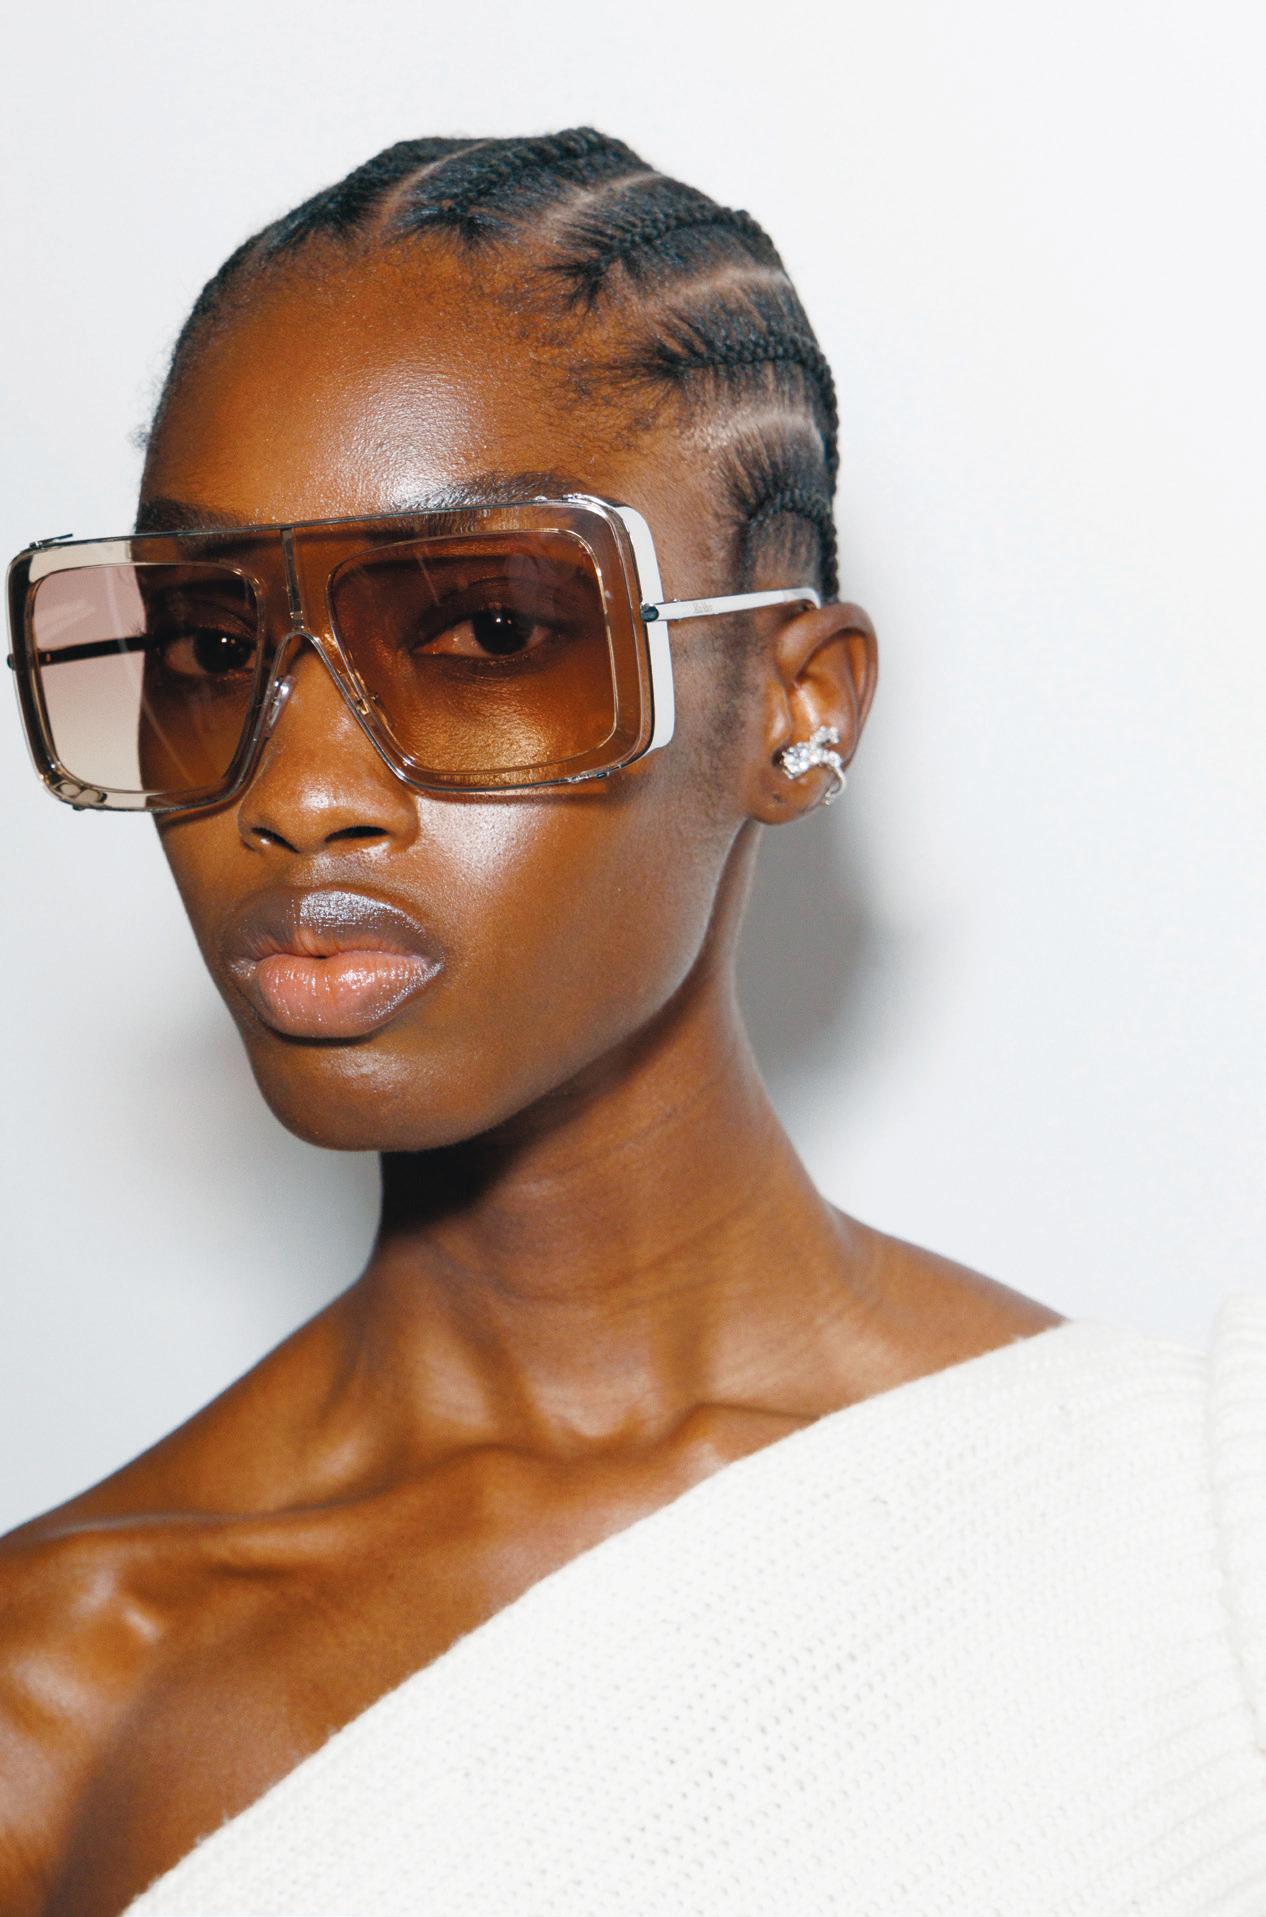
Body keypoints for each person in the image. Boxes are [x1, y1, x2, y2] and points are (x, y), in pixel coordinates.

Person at [2, 128, 1263, 1917]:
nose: (299, 792)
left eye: (485, 628)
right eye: (209, 647)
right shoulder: (59, 1687)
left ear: (797, 709)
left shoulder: (1190, 1539)